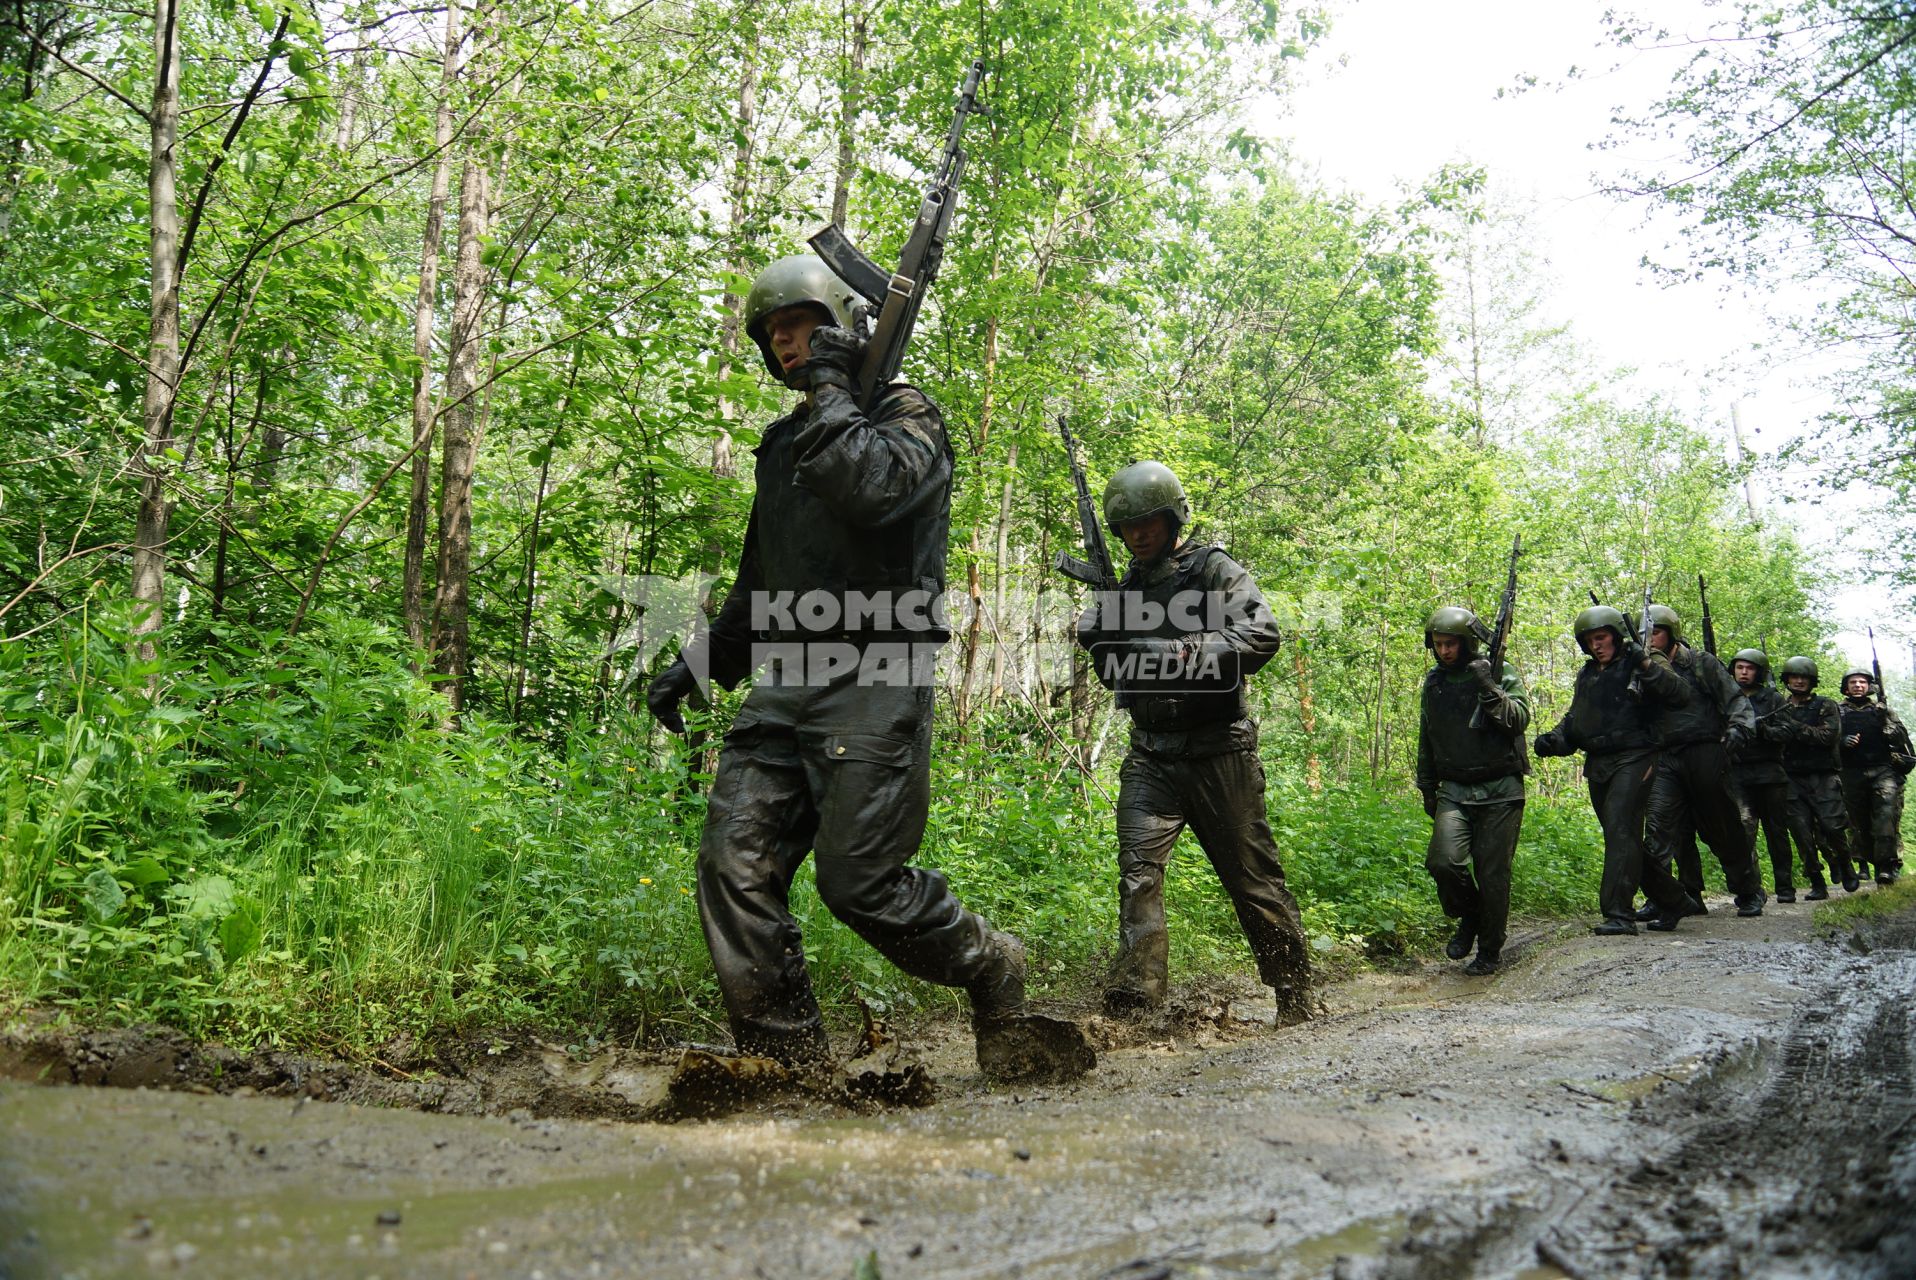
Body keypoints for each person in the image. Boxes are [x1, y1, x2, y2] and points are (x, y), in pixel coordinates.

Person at [646, 254, 1090, 1082]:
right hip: (786, 683)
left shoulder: (908, 417)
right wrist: (700, 665)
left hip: (876, 675)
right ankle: (788, 1065)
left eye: (800, 327)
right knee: (732, 862)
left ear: (843, 328)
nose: (786, 345)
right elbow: (762, 582)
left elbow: (873, 490)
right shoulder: (785, 443)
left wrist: (833, 393)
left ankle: (991, 964)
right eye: (773, 334)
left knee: (860, 887)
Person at [1075, 461, 1312, 1025]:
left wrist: (1177, 649)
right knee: (1138, 876)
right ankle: (1137, 1005)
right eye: (1127, 527)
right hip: (1151, 754)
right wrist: (1103, 638)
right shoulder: (1126, 586)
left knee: (1253, 882)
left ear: (1173, 516)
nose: (1138, 535)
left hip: (1219, 752)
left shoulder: (1213, 570)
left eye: (1148, 522)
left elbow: (1261, 634)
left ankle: (1295, 993)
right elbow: (1117, 676)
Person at [1533, 606, 1699, 934]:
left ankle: (1619, 914)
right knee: (1622, 839)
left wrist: (1646, 663)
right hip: (1599, 763)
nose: (1596, 645)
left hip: (1637, 757)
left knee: (1622, 830)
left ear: (1615, 636)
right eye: (1590, 640)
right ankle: (1675, 899)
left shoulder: (1638, 664)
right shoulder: (1588, 674)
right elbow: (1576, 720)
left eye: (1602, 637)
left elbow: (1680, 695)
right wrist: (1555, 740)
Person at [1414, 607, 1531, 976]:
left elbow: (1518, 720)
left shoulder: (1498, 673)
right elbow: (1427, 736)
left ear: (1467, 643)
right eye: (1438, 644)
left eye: (1451, 644)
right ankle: (1470, 915)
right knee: (1443, 861)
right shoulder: (1434, 683)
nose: (1444, 651)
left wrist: (1488, 687)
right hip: (1455, 789)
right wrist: (1427, 786)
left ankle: (1490, 949)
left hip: (1501, 789)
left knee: (1493, 874)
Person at [1633, 605, 1767, 918]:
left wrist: (1738, 730)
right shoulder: (1640, 668)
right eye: (1646, 634)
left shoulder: (1699, 663)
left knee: (1722, 828)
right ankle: (1668, 896)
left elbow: (1736, 701)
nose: (1651, 640)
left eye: (1657, 632)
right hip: (1664, 756)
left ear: (1671, 633)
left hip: (1706, 752)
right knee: (1660, 828)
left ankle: (1748, 890)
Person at [1776, 657, 1859, 898]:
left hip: (1823, 776)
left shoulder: (1825, 705)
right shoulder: (1779, 706)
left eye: (1804, 678)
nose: (1799, 681)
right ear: (1787, 680)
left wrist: (1790, 727)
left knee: (1832, 827)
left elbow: (1826, 737)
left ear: (1812, 681)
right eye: (1794, 677)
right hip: (1790, 777)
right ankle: (1816, 881)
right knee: (1801, 833)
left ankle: (1845, 862)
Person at [1727, 649, 1797, 902]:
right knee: (1743, 830)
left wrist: (1764, 730)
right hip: (1737, 772)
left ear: (1759, 672)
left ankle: (1785, 886)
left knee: (1776, 832)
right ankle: (1750, 887)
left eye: (1750, 668)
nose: (1744, 672)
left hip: (1770, 773)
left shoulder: (1774, 699)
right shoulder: (1726, 697)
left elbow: (1788, 732)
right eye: (1739, 667)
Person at [1837, 668, 1913, 886]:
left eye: (1862, 682)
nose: (1858, 685)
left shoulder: (1883, 710)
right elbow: (1827, 736)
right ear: (1846, 686)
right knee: (1858, 823)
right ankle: (1866, 863)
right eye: (1853, 682)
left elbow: (1900, 739)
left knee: (1885, 818)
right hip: (1850, 773)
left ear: (1869, 686)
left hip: (1884, 771)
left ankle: (1886, 866)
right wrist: (1842, 741)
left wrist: (1884, 720)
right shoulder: (1837, 711)